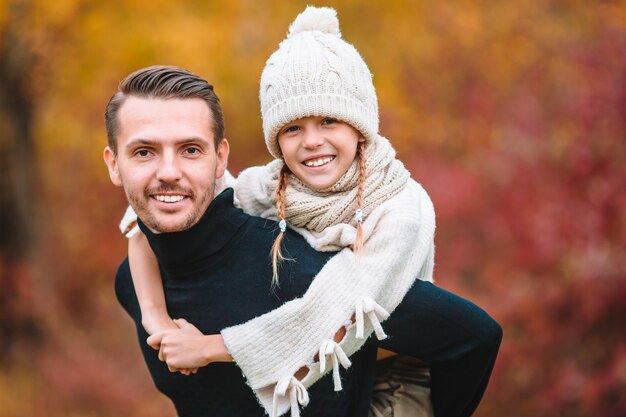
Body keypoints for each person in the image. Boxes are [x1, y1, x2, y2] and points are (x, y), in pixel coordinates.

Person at [119, 6, 502, 417]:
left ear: (359, 125)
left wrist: (211, 347)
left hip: (387, 361)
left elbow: (344, 308)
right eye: (292, 128)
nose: (312, 142)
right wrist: (155, 317)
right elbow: (158, 213)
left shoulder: (400, 210)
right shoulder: (270, 185)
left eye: (329, 120)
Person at [104, 65, 379, 417]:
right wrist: (154, 315)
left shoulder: (299, 264)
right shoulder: (132, 282)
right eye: (144, 152)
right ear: (114, 164)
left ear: (220, 158)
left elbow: (470, 340)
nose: (169, 172)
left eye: (190, 149)